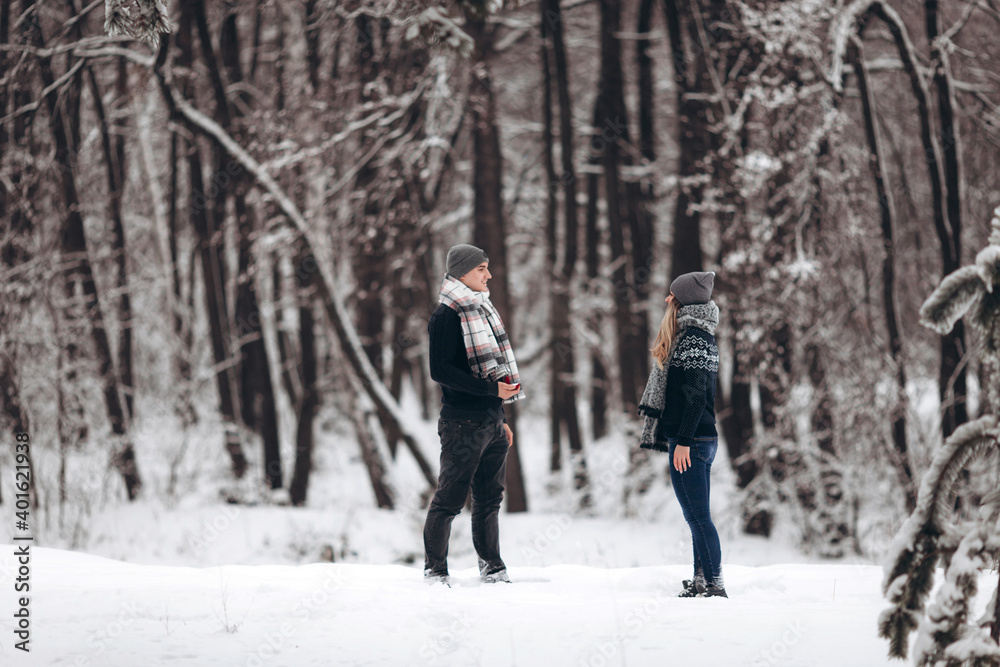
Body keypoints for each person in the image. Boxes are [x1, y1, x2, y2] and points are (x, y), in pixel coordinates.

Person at [422, 243, 525, 586]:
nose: (489, 275)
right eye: (481, 268)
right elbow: (441, 371)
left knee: (489, 500)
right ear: (462, 272)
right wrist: (491, 392)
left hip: (491, 422)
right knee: (449, 499)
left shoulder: (481, 310)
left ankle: (492, 567)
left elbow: (492, 369)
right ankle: (435, 571)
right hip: (462, 423)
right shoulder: (446, 315)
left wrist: (501, 418)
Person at [638, 270, 727, 598]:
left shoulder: (692, 340)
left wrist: (684, 441)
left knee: (698, 517)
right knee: (697, 516)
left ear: (683, 300)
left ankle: (715, 584)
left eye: (672, 294)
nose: (666, 299)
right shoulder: (698, 336)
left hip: (693, 439)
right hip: (702, 438)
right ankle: (702, 580)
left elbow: (696, 396)